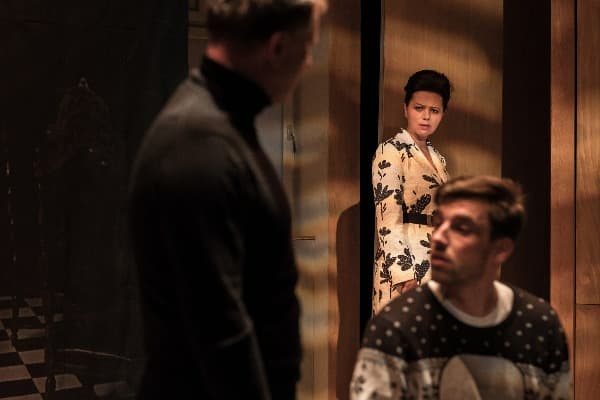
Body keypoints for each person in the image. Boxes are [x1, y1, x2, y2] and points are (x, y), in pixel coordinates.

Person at [128, 1, 327, 398]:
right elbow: (219, 330)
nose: (307, 64)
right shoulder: (199, 143)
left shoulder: (218, 125)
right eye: (307, 48)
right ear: (277, 48)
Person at [351, 175, 571, 399]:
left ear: (501, 249)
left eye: (461, 228)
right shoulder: (396, 325)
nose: (438, 237)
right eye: (438, 223)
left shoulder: (540, 325)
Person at [372, 69, 452, 314]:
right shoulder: (391, 151)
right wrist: (405, 278)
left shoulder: (439, 159)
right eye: (419, 108)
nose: (426, 116)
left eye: (434, 111)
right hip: (405, 268)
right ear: (406, 109)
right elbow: (387, 219)